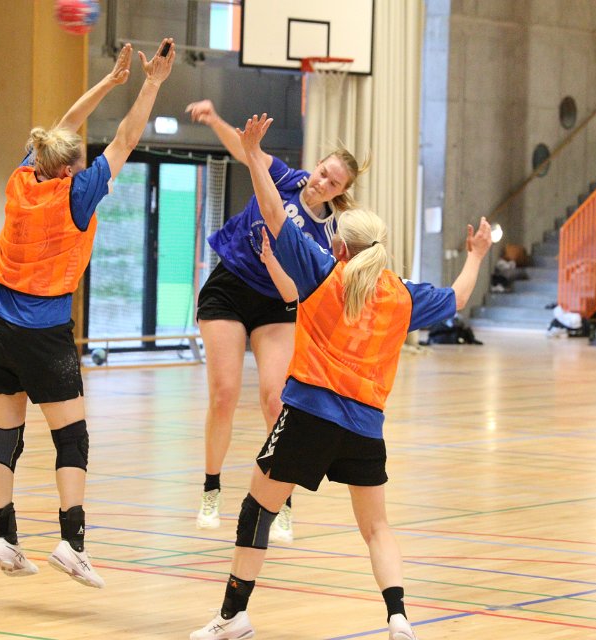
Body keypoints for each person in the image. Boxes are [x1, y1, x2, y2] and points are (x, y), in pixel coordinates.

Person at [189, 114, 492, 639]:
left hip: (309, 415)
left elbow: (271, 211)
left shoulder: (322, 273)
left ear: (339, 246)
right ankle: (398, 617)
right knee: (376, 527)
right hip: (365, 428)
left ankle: (233, 617)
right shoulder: (402, 295)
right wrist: (477, 255)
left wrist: (254, 155)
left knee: (258, 509)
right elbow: (459, 298)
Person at [0, 39, 176, 588]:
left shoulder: (23, 176)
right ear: (69, 172)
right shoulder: (75, 195)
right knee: (72, 439)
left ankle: (3, 539)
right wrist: (150, 84)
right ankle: (72, 543)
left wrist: (109, 82)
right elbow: (127, 138)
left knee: (4, 434)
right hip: (41, 334)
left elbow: (62, 127)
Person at [185, 99, 368, 542]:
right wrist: (215, 119)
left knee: (275, 401)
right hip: (230, 286)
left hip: (277, 303)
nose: (322, 183)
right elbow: (246, 151)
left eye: (333, 182)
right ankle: (211, 490)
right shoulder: (286, 178)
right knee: (224, 394)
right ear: (316, 166)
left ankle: (280, 500)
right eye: (323, 172)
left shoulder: (329, 233)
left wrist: (275, 265)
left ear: (340, 192)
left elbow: (296, 292)